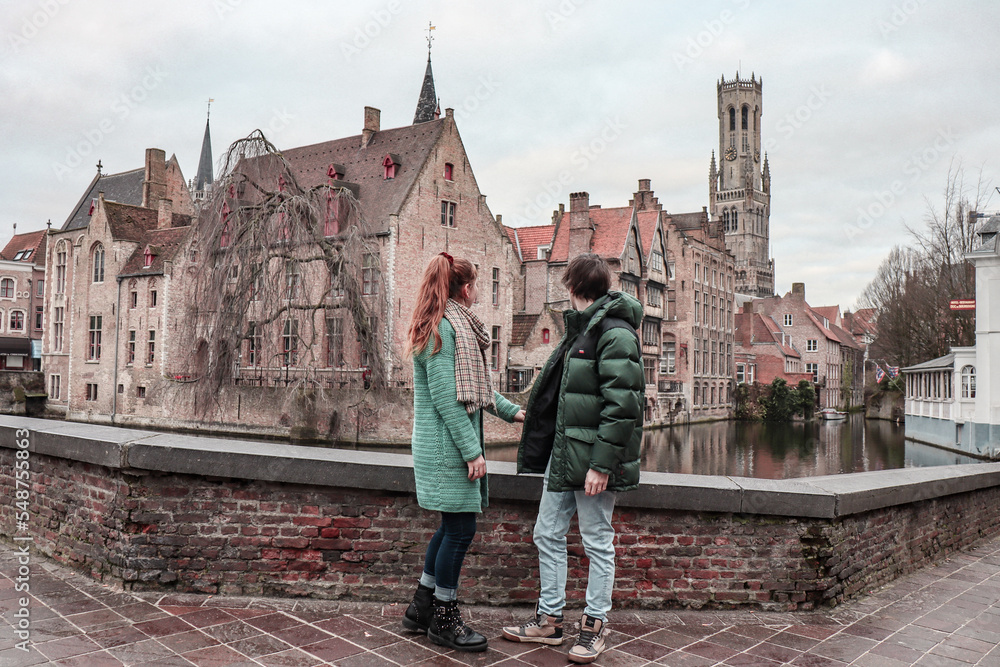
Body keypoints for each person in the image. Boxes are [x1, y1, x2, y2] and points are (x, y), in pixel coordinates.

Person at [502, 253, 644, 664]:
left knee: (597, 540)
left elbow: (623, 407)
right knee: (547, 533)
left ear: (573, 285)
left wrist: (601, 465)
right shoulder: (583, 329)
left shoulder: (616, 332)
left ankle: (594, 625)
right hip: (565, 455)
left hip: (594, 461)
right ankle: (549, 620)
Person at [401, 252, 525, 652]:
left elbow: (477, 390)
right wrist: (474, 453)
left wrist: (514, 413)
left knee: (449, 528)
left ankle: (421, 608)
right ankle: (445, 619)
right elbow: (446, 399)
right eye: (475, 287)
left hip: (446, 446)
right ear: (467, 289)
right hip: (446, 450)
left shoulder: (452, 325)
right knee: (461, 530)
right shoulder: (443, 329)